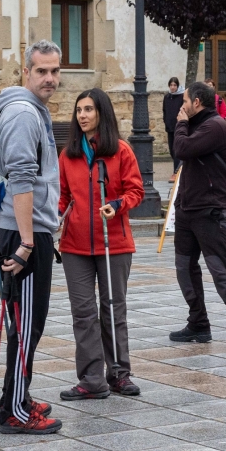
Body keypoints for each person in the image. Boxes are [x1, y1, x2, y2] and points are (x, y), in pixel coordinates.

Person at [0, 40, 63, 434]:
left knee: (26, 326)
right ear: (25, 72)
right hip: (25, 235)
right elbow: (20, 180)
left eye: (54, 71)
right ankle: (15, 412)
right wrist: (27, 244)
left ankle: (16, 397)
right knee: (25, 327)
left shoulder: (33, 110)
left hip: (30, 230)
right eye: (41, 71)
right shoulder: (23, 114)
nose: (49, 78)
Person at [57, 88, 144, 400]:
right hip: (74, 247)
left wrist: (118, 204)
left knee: (112, 309)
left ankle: (119, 373)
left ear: (101, 114)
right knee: (83, 313)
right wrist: (54, 216)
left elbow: (136, 191)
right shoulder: (67, 155)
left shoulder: (121, 151)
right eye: (79, 110)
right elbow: (63, 196)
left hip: (114, 244)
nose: (82, 115)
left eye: (89, 109)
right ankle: (92, 379)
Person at [169, 81, 226, 353]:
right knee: (185, 268)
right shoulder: (196, 125)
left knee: (219, 270)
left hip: (210, 210)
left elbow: (181, 149)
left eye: (184, 101)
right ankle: (198, 324)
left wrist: (181, 124)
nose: (181, 106)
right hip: (187, 209)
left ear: (196, 102)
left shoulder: (215, 126)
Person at [163, 77, 184, 182]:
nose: (172, 87)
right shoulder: (167, 97)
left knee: (176, 150)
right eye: (171, 85)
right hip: (169, 127)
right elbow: (165, 111)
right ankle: (179, 169)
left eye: (174, 85)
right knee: (172, 150)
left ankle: (176, 172)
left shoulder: (181, 97)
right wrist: (165, 122)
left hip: (178, 126)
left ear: (177, 86)